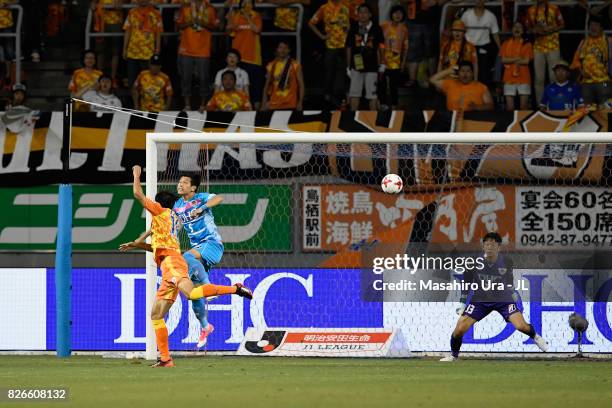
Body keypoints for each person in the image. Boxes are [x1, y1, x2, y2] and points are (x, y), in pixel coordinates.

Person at [120, 165, 252, 366]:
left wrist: (136, 173)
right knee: (156, 315)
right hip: (167, 267)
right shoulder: (168, 218)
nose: (180, 184)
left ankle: (236, 289)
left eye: (184, 182)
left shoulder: (163, 212)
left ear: (158, 204)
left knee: (192, 293)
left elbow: (137, 193)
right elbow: (156, 248)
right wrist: (137, 244)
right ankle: (165, 359)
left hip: (174, 262)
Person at [440, 232, 548, 361]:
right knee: (459, 329)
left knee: (521, 326)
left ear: (499, 247)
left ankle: (536, 337)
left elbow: (509, 281)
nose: (489, 247)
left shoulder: (506, 261)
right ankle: (454, 356)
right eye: (486, 244)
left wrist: (514, 296)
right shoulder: (473, 261)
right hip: (480, 300)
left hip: (503, 300)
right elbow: (467, 281)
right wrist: (463, 301)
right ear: (483, 247)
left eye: (493, 245)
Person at [176, 0, 218, 111]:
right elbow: (178, 25)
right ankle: (187, 105)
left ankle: (203, 105)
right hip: (186, 48)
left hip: (203, 49)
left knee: (204, 78)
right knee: (186, 77)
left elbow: (215, 26)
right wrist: (189, 23)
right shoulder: (185, 7)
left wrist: (203, 24)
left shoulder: (210, 8)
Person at [309, 0, 351, 107]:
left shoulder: (346, 6)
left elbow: (353, 24)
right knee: (329, 73)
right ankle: (328, 99)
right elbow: (311, 23)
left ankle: (345, 100)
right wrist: (322, 36)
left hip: (345, 46)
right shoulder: (324, 8)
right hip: (330, 46)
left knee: (345, 73)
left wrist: (347, 29)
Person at [525, 0, 564, 105]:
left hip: (553, 46)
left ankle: (556, 103)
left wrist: (550, 29)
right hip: (538, 48)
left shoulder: (554, 8)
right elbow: (528, 27)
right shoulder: (531, 10)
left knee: (553, 77)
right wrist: (534, 30)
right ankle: (540, 105)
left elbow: (562, 24)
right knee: (539, 78)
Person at [346, 3, 384, 111]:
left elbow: (381, 46)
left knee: (372, 94)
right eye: (360, 12)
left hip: (372, 65)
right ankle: (352, 118)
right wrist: (348, 66)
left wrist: (382, 63)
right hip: (356, 63)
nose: (362, 15)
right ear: (357, 14)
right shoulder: (354, 28)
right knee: (354, 93)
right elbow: (348, 47)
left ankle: (373, 120)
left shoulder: (377, 28)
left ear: (370, 14)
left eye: (365, 12)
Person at [226, 0, 263, 108]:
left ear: (253, 5)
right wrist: (230, 19)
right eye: (244, 3)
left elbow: (257, 30)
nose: (247, 6)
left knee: (255, 87)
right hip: (238, 59)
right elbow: (229, 31)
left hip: (253, 58)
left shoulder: (256, 16)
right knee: (239, 87)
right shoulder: (236, 16)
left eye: (249, 3)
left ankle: (256, 110)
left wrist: (247, 18)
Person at [570, 16, 611, 108]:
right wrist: (581, 71)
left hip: (603, 81)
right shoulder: (584, 42)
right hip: (586, 83)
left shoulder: (608, 41)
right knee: (586, 110)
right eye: (591, 25)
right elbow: (575, 61)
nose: (593, 27)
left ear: (601, 28)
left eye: (596, 25)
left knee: (605, 110)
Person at [123, 0, 163, 87]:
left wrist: (158, 49)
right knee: (132, 80)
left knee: (147, 80)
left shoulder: (156, 13)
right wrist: (124, 49)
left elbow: (158, 33)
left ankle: (145, 100)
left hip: (148, 53)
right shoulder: (131, 12)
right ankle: (133, 100)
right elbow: (127, 31)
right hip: (132, 52)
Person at [460, 0, 500, 87]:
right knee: (467, 71)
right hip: (468, 47)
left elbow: (495, 33)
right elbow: (460, 31)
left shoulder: (490, 16)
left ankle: (481, 95)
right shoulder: (466, 14)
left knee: (483, 73)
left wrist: (501, 49)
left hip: (484, 47)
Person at [261, 40, 304, 111]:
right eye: (280, 47)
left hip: (290, 104)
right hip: (274, 104)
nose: (283, 50)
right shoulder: (271, 65)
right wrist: (263, 103)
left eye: (285, 48)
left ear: (289, 50)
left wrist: (300, 102)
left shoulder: (295, 65)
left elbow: (301, 85)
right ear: (277, 49)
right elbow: (266, 86)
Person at [499, 21, 533, 110]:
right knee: (509, 107)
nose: (517, 29)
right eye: (515, 27)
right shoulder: (506, 43)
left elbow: (526, 61)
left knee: (523, 107)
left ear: (523, 31)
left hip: (524, 77)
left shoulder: (527, 44)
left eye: (520, 27)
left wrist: (511, 59)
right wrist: (517, 58)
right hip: (508, 77)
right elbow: (503, 60)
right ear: (512, 30)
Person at [380, 5, 408, 110]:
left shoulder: (404, 29)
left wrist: (403, 62)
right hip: (383, 60)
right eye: (395, 13)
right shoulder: (384, 26)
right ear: (391, 14)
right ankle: (382, 104)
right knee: (381, 84)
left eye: (400, 13)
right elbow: (379, 43)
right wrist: (379, 60)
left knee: (394, 86)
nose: (397, 15)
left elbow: (405, 47)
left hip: (396, 62)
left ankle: (395, 106)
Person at [91, 0, 124, 87]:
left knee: (115, 52)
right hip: (100, 21)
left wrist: (122, 2)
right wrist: (93, 3)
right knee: (100, 51)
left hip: (115, 20)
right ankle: (99, 77)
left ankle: (113, 79)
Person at [0, 0, 17, 86]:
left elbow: (17, 1)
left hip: (7, 23)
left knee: (9, 51)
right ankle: (2, 77)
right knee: (1, 54)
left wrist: (7, 4)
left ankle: (8, 76)